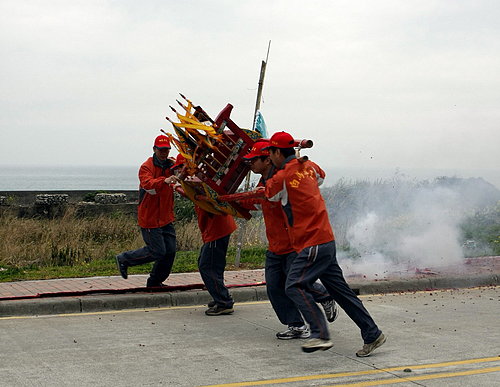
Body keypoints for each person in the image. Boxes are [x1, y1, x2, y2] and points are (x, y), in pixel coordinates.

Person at [263, 131, 386, 355]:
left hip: (312, 243)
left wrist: (278, 172)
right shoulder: (309, 166)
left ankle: (319, 334)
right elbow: (321, 176)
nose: (269, 158)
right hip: (326, 240)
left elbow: (270, 194)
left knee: (293, 285)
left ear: (277, 152)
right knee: (341, 293)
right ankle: (372, 333)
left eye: (270, 153)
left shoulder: (281, 178)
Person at [242, 139, 338, 340]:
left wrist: (298, 161)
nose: (250, 164)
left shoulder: (285, 178)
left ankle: (325, 297)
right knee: (274, 286)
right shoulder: (264, 183)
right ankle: (295, 325)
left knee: (297, 284)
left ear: (267, 159)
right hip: (275, 244)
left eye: (254, 160)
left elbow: (318, 174)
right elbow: (257, 200)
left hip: (294, 243)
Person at [171, 154, 237, 316]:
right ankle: (220, 296)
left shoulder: (197, 181)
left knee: (206, 265)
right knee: (214, 265)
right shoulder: (195, 180)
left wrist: (177, 185)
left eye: (180, 168)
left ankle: (223, 301)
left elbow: (195, 195)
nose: (178, 172)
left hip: (217, 229)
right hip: (218, 228)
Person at [115, 135, 178, 288]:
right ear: (154, 149)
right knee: (157, 251)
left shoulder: (172, 165)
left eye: (166, 150)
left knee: (170, 251)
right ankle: (124, 259)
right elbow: (147, 183)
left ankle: (155, 282)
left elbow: (183, 168)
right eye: (161, 150)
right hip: (150, 218)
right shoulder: (146, 167)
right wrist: (164, 180)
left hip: (166, 217)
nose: (164, 153)